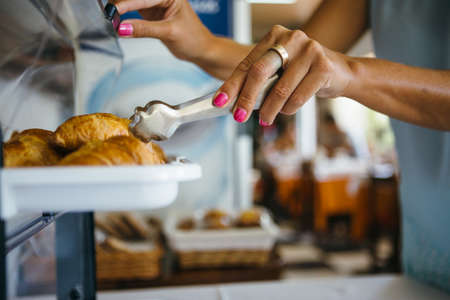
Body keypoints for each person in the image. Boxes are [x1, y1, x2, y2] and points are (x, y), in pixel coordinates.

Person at [114, 0, 450, 292]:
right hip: (424, 243)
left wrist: (349, 72)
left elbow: (323, 64)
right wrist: (201, 43)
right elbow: (287, 67)